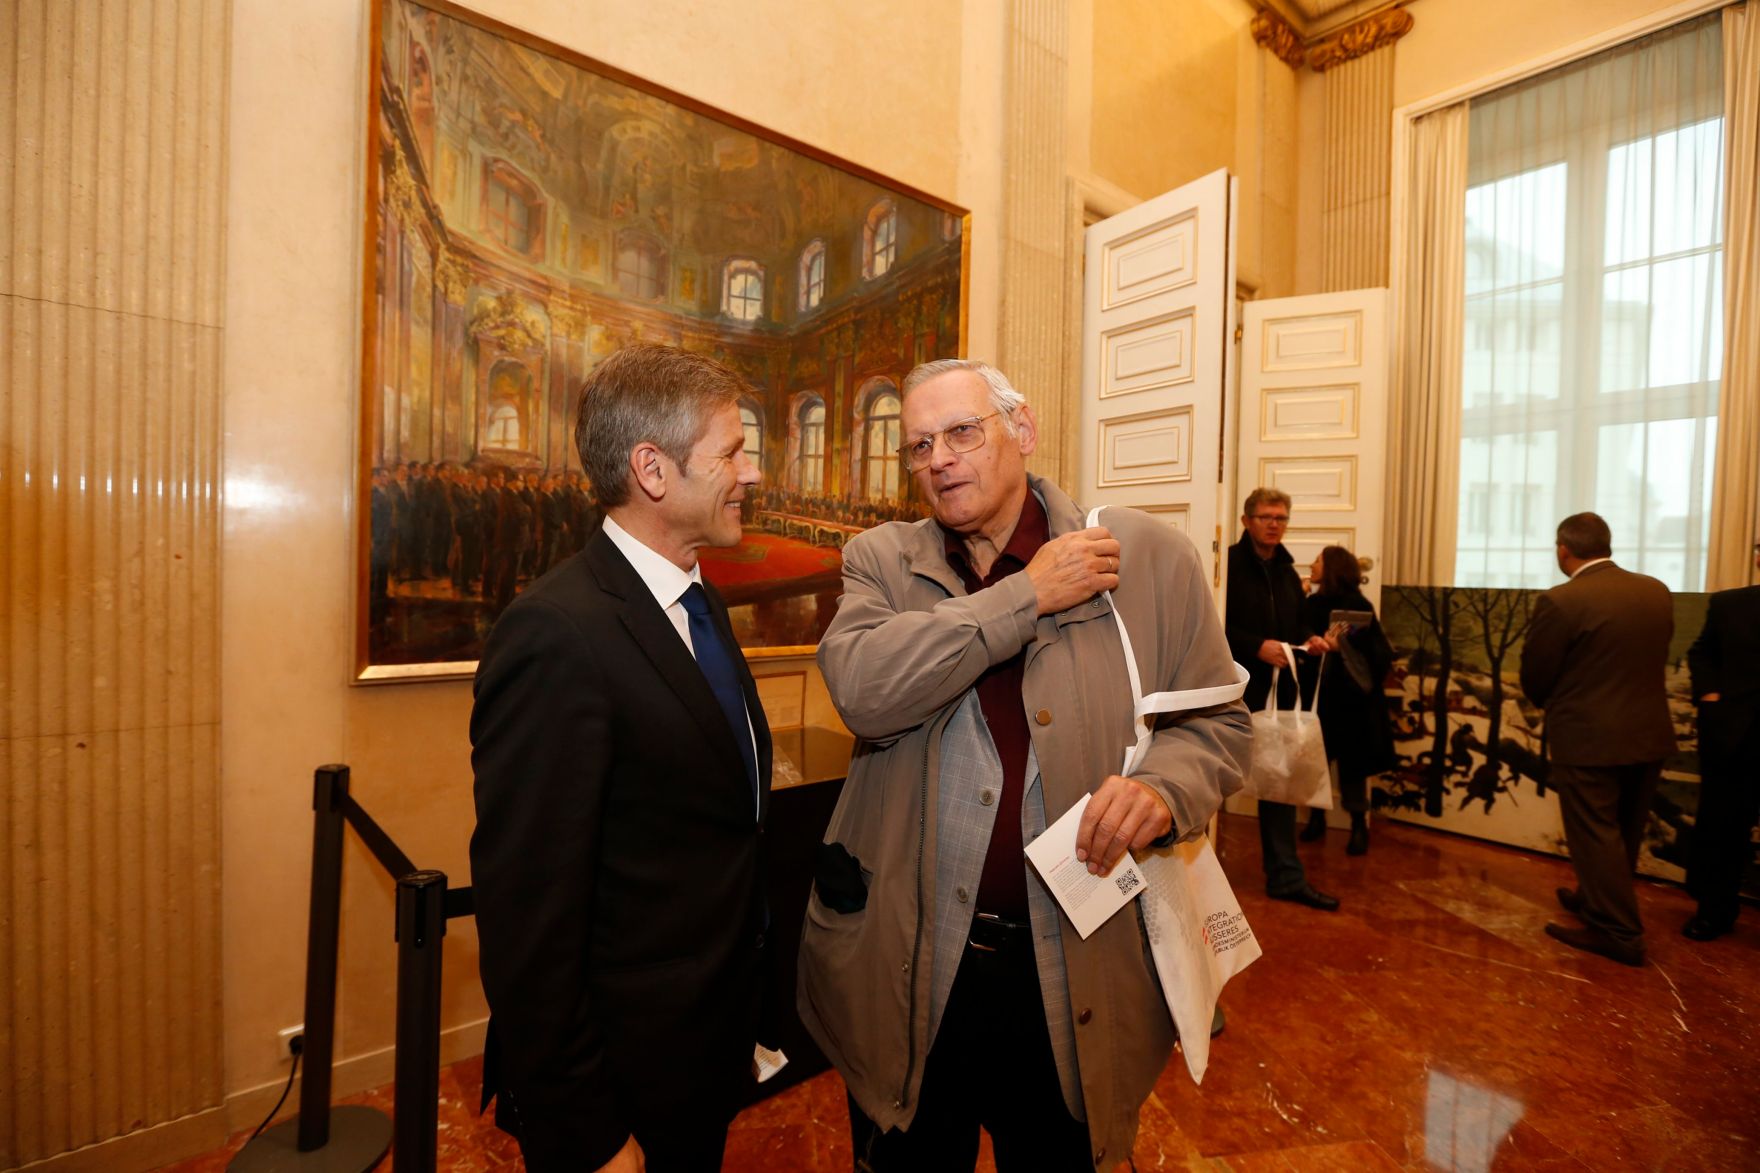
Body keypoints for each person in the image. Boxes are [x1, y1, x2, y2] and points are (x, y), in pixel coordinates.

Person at [798, 359, 1251, 1172]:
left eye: (963, 432)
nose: (940, 458)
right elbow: (864, 690)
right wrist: (1026, 596)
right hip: (911, 970)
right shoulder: (880, 561)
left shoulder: (1147, 557)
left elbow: (1217, 723)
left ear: (1024, 431)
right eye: (919, 446)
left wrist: (1162, 790)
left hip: (1073, 973)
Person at [469, 344, 771, 1172]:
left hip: (700, 1048)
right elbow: (529, 916)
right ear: (653, 469)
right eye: (733, 452)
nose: (750, 473)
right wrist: (590, 1128)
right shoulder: (556, 633)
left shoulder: (694, 593)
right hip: (618, 1083)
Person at [1520, 511, 1674, 967]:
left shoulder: (1561, 600)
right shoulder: (1655, 591)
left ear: (1563, 549)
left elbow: (1536, 676)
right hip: (1647, 734)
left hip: (1588, 738)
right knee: (1623, 829)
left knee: (1594, 833)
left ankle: (1619, 932)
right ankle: (1595, 900)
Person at [1224, 487, 1339, 910]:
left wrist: (1308, 639)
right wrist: (1256, 646)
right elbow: (1215, 627)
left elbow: (1297, 622)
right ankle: (1191, 876)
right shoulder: (1229, 567)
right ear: (1246, 521)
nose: (1274, 524)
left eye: (1281, 518)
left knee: (1279, 783)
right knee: (1209, 777)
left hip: (1280, 692)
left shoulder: (1291, 573)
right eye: (1266, 517)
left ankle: (1286, 877)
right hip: (1232, 691)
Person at [1682, 536, 1760, 941]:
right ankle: (1714, 912)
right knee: (1722, 830)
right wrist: (1710, 696)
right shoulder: (1730, 603)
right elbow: (1701, 652)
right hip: (1733, 737)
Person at [1300, 546, 1395, 856]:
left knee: (1353, 767)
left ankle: (1358, 825)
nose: (1312, 564)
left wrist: (1342, 645)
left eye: (1318, 561)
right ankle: (1316, 819)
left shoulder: (1359, 604)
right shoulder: (1310, 603)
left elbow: (1380, 653)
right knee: (1316, 763)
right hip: (1318, 698)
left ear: (1333, 569)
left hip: (1353, 702)